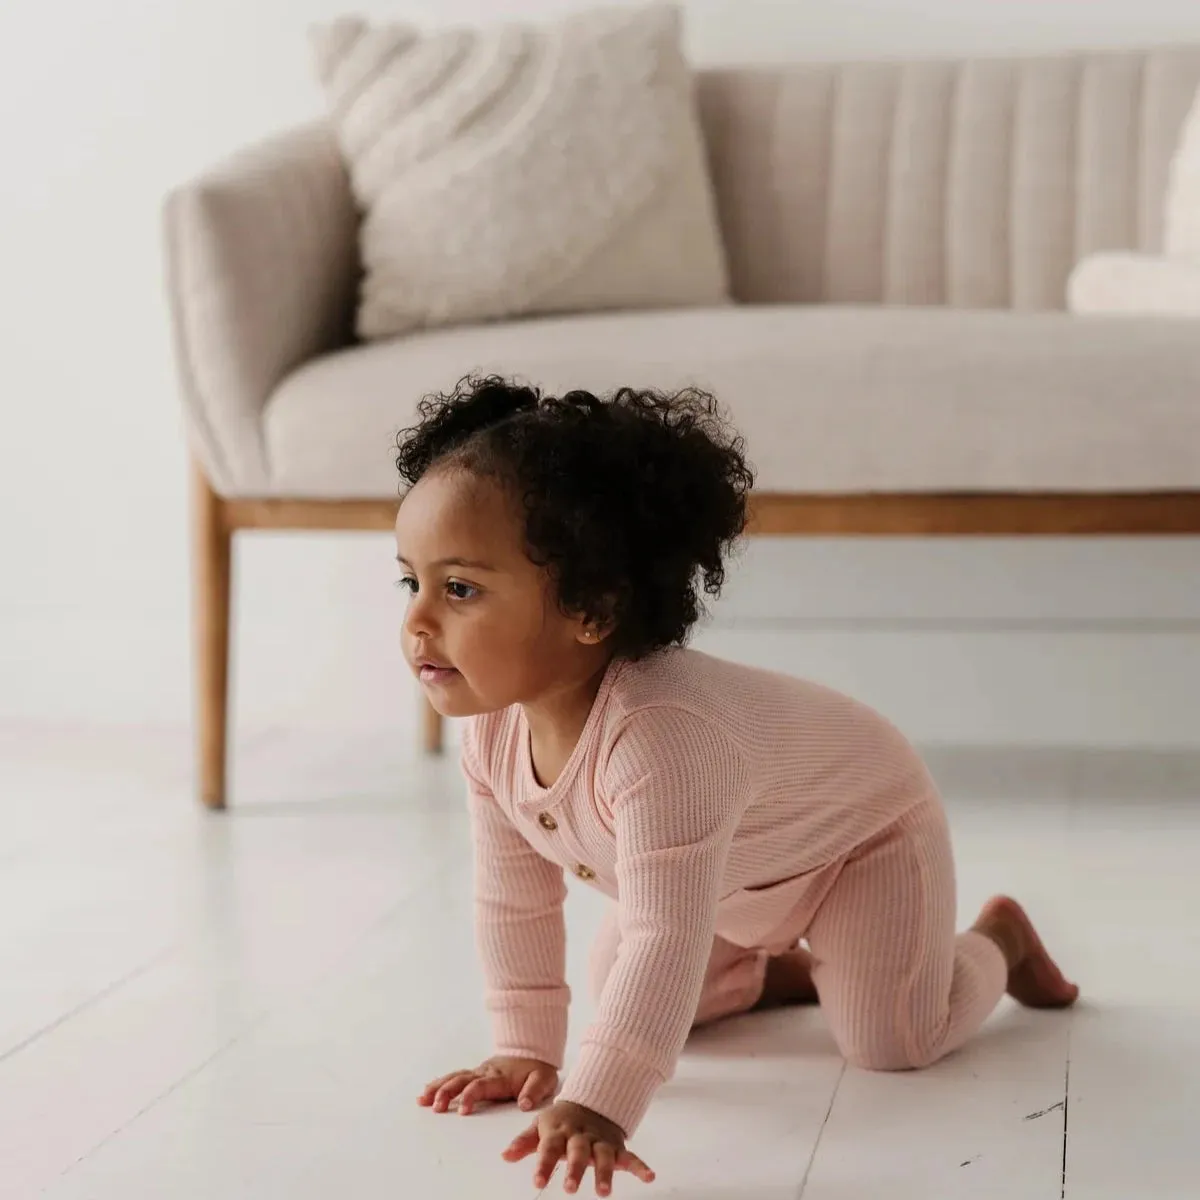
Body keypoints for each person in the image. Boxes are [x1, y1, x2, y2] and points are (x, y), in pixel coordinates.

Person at [397, 376, 1078, 1197]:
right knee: (650, 1005)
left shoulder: (663, 740)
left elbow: (660, 936)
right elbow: (515, 902)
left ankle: (995, 942)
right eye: (412, 582)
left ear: (592, 608)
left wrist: (600, 1103)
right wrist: (526, 1050)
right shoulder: (494, 732)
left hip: (859, 846)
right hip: (730, 886)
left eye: (459, 589)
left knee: (893, 1041)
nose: (417, 621)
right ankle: (791, 968)